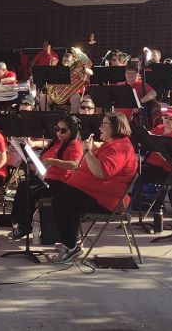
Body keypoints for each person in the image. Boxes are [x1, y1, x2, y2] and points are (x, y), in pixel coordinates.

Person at [51, 112, 138, 263]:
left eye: (104, 124)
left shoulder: (120, 147)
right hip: (95, 193)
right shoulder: (112, 144)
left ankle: (70, 246)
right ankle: (70, 241)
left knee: (61, 202)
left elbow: (101, 172)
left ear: (115, 128)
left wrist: (87, 151)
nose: (99, 127)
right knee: (63, 197)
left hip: (107, 200)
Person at [8, 114, 83, 240]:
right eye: (57, 129)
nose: (59, 133)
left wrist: (52, 161)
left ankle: (24, 226)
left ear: (72, 131)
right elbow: (45, 156)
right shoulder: (58, 142)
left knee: (29, 191)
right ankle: (17, 221)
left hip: (62, 183)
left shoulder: (75, 144)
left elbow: (74, 165)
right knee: (22, 186)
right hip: (49, 178)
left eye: (63, 130)